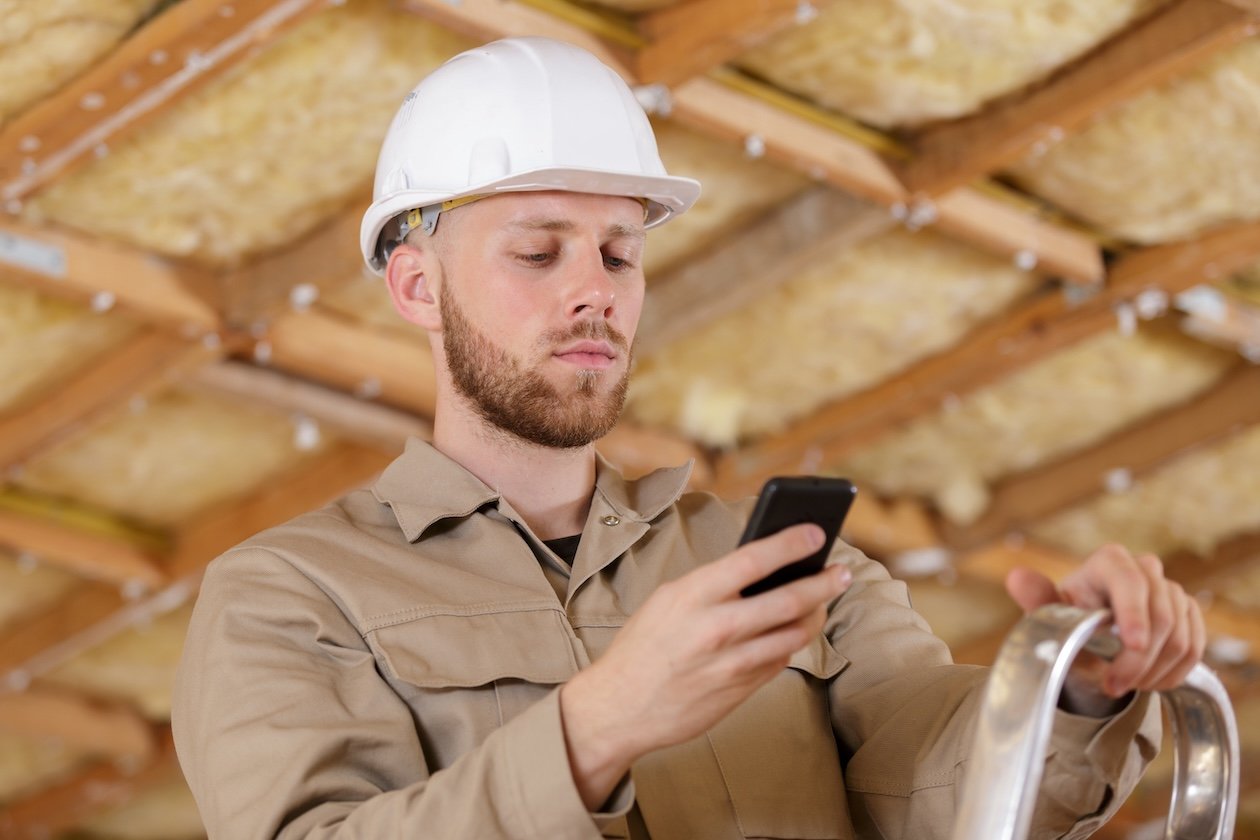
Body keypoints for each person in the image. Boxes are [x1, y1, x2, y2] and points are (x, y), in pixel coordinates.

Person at [172, 36, 1205, 840]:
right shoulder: (290, 594)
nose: (593, 292)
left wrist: (1068, 689)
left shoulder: (789, 567)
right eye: (538, 251)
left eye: (620, 253)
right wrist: (597, 728)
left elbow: (947, 793)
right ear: (414, 283)